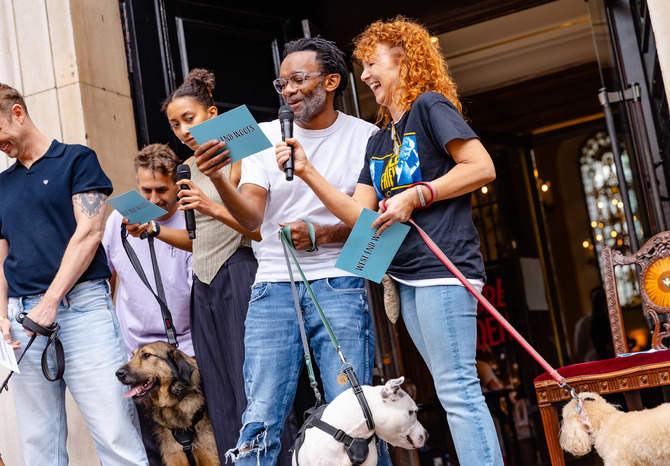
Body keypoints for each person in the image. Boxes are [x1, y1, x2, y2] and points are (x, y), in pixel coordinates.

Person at [275, 17, 503, 464]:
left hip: (444, 270)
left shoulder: (430, 107)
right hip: (406, 277)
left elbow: (481, 166)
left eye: (373, 63)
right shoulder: (379, 139)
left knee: (457, 389)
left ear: (406, 62)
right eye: (362, 66)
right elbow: (360, 216)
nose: (364, 76)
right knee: (447, 385)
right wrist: (306, 172)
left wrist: (419, 194)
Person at [192, 37, 385, 466]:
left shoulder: (368, 137)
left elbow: (375, 228)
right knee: (259, 415)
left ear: (331, 81)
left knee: (352, 412)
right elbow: (250, 221)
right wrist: (220, 179)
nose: (289, 90)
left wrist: (322, 234)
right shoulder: (262, 137)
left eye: (299, 79)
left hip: (340, 283)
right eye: (282, 84)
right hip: (272, 289)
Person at [125, 68, 295, 465]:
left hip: (240, 272)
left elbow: (251, 225)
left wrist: (212, 192)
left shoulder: (243, 150)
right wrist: (153, 229)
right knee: (218, 388)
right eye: (175, 123)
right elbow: (198, 237)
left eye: (190, 119)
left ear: (213, 113)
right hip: (205, 285)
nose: (183, 130)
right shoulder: (187, 164)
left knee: (251, 380)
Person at [0, 83, 147, 465]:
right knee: (38, 445)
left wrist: (49, 304)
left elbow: (91, 232)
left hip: (82, 309)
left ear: (17, 113)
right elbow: (0, 256)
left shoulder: (78, 160)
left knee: (115, 433)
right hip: (20, 320)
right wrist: (1, 316)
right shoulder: (0, 185)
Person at [102, 143, 194, 466]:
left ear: (177, 184)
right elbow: (108, 277)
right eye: (146, 190)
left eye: (161, 190)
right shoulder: (118, 222)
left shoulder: (191, 216)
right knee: (148, 449)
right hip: (136, 354)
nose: (153, 200)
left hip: (185, 355)